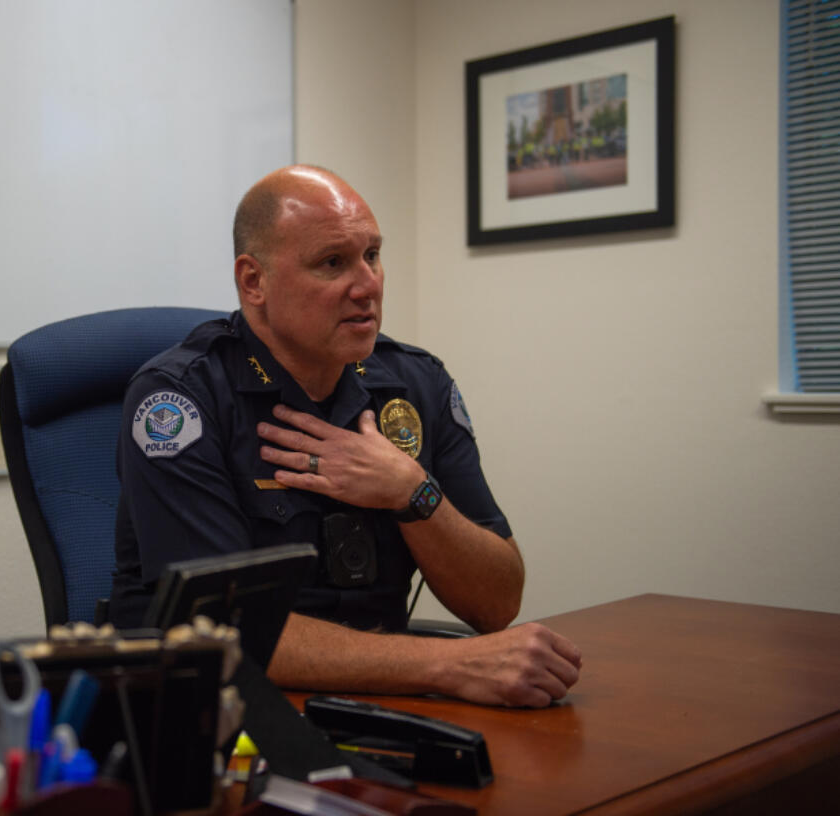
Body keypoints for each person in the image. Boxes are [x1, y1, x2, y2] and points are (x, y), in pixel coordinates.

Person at [109, 165, 581, 708]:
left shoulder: (415, 385)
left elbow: (498, 603)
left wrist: (413, 492)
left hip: (385, 696)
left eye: (373, 255)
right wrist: (449, 663)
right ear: (253, 281)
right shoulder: (178, 400)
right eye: (332, 263)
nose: (368, 285)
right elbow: (223, 632)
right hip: (219, 713)